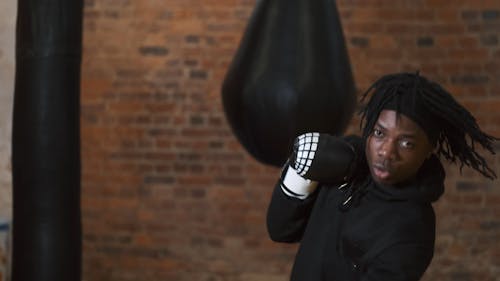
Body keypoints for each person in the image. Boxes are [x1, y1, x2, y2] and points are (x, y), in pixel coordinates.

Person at [266, 72, 498, 281]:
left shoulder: (410, 230)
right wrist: (299, 173)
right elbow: (281, 230)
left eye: (406, 143)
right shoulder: (344, 163)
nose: (387, 151)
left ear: (429, 150)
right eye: (379, 133)